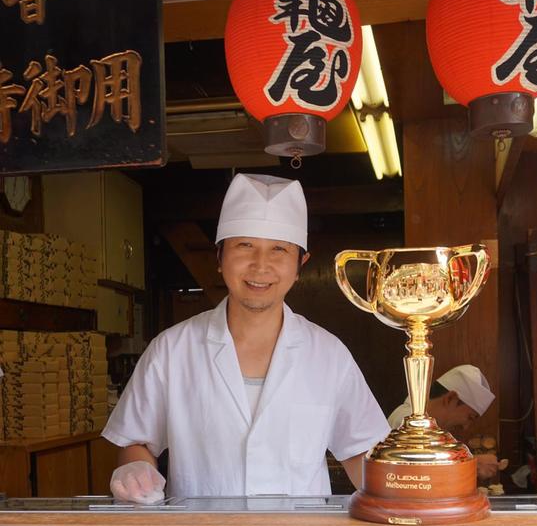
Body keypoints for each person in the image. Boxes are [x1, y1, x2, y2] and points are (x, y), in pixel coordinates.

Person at [104, 173, 390, 503]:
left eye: (279, 250)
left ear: (300, 265)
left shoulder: (328, 354)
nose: (260, 266)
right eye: (244, 246)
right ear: (219, 257)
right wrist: (134, 471)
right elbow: (136, 441)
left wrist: (405, 500)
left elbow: (360, 451)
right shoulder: (171, 350)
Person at [387, 364, 499, 480]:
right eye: (470, 417)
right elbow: (419, 473)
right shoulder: (406, 419)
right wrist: (471, 464)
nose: (465, 427)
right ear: (450, 399)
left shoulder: (433, 428)